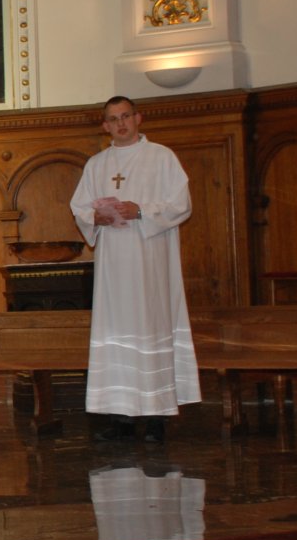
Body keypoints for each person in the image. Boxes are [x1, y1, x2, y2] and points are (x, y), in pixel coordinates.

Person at [69, 96, 200, 442]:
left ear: (138, 118)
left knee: (151, 325)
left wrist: (140, 211)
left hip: (150, 261)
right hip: (113, 266)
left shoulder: (161, 157)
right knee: (116, 330)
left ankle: (157, 418)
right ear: (105, 126)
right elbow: (79, 207)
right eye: (113, 119)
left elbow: (181, 204)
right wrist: (95, 217)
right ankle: (121, 417)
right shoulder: (97, 165)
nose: (121, 124)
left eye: (126, 116)